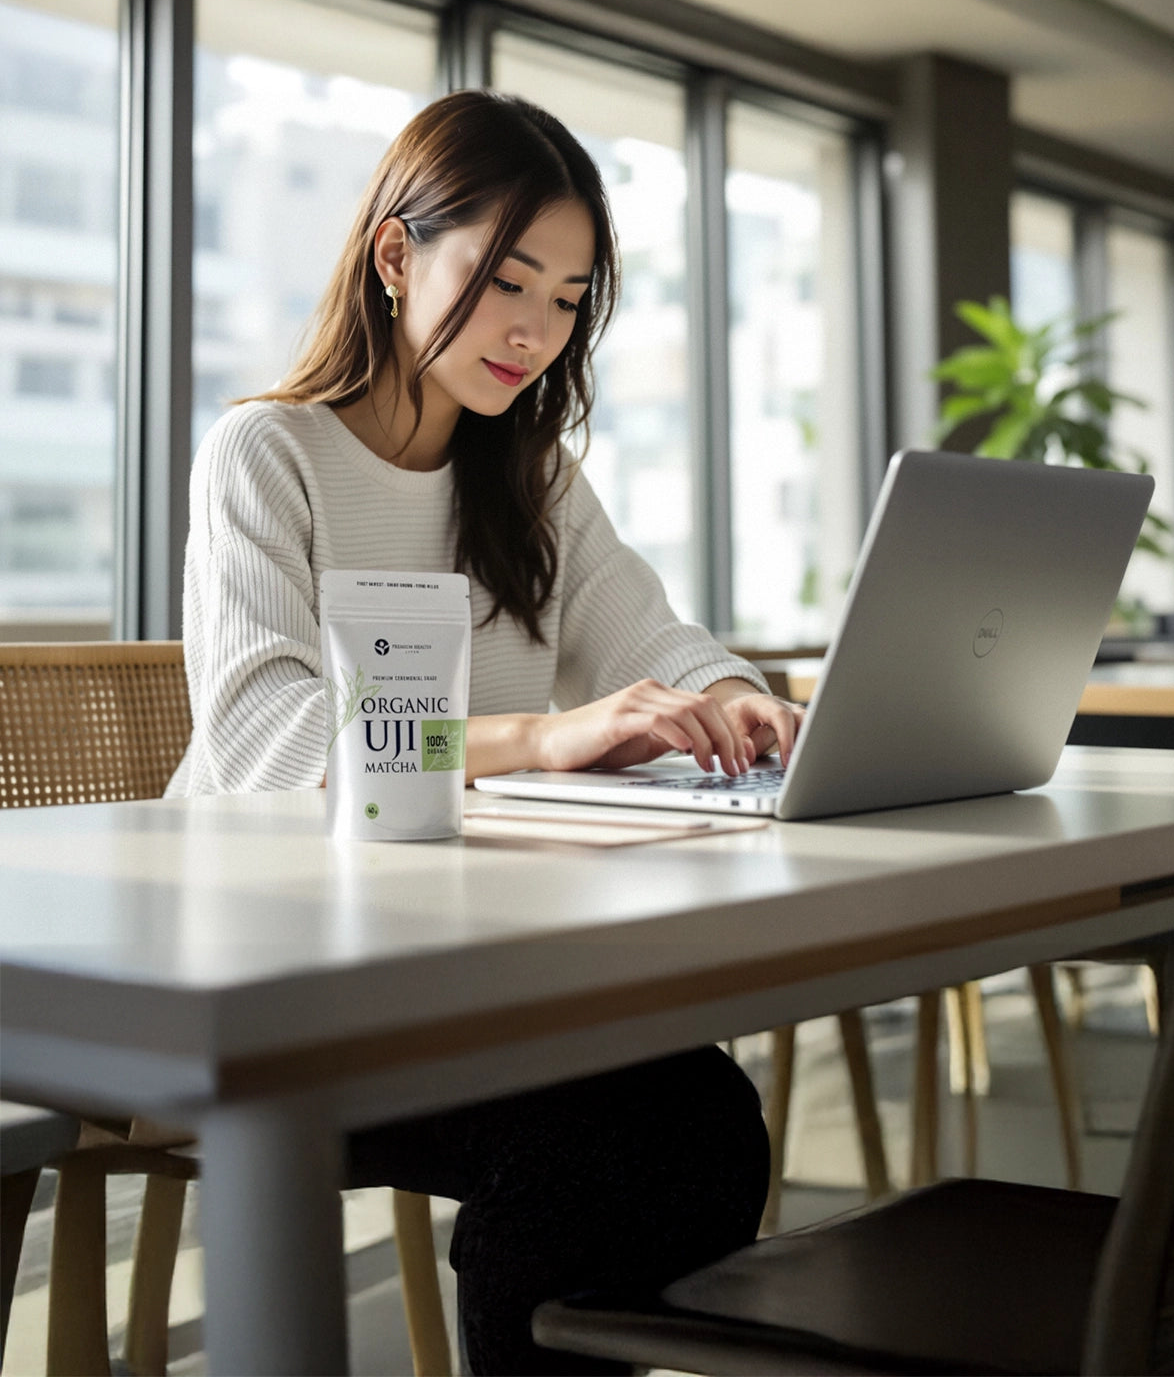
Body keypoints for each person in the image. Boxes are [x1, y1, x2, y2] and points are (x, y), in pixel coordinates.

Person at [170, 89, 802, 1373]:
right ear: (398, 255)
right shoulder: (265, 453)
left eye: (568, 298)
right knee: (621, 1133)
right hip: (269, 987)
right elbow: (266, 747)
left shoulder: (533, 479)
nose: (535, 328)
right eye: (507, 278)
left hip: (465, 976)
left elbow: (660, 648)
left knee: (694, 1111)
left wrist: (741, 702)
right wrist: (540, 737)